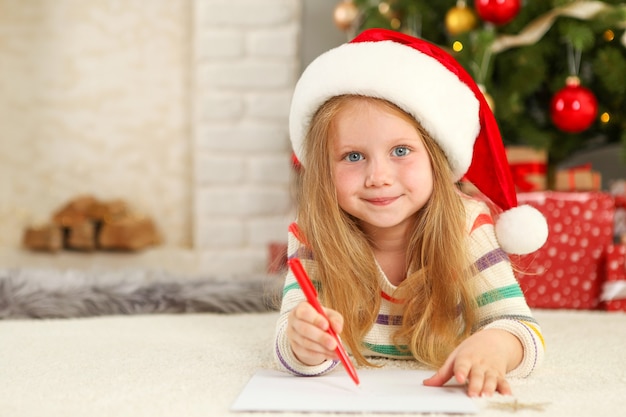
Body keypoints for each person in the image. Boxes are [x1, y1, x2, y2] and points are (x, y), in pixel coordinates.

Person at [274, 28, 548, 398]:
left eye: (401, 151)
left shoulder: (468, 226)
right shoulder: (314, 233)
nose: (378, 178)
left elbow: (521, 328)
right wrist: (303, 345)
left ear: (436, 159)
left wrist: (495, 346)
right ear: (324, 169)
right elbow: (286, 343)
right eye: (353, 156)